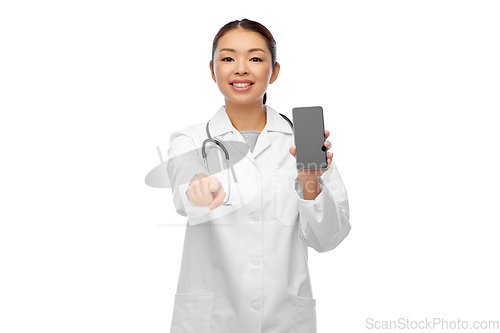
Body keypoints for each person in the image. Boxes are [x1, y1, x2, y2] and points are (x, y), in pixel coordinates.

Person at [166, 18, 351, 333]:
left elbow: (329, 239)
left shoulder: (304, 145)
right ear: (212, 70)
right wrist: (198, 182)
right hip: (210, 321)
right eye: (227, 58)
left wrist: (310, 183)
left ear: (274, 71)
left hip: (284, 319)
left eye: (255, 58)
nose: (240, 68)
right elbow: (185, 185)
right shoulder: (191, 139)